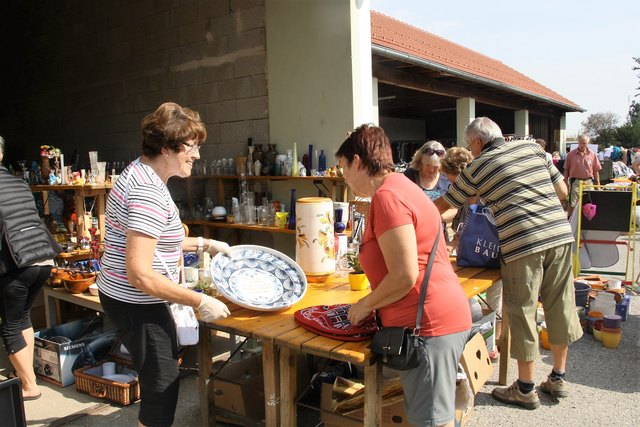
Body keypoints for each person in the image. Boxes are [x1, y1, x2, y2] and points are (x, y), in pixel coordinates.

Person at [97, 102, 232, 427]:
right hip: (136, 301)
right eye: (192, 147)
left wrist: (205, 243)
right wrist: (201, 300)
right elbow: (140, 273)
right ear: (166, 147)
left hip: (126, 296)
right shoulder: (147, 193)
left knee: (163, 375)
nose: (197, 155)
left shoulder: (141, 173)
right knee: (162, 389)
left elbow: (154, 239)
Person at [434, 117, 583, 410]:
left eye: (470, 146)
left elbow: (446, 204)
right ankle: (558, 378)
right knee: (560, 304)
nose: (470, 151)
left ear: (477, 142)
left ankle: (525, 389)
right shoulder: (532, 149)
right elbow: (563, 193)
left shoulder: (477, 166)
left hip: (522, 242)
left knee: (522, 311)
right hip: (560, 235)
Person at [340, 124, 471, 426]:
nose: (344, 177)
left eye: (344, 167)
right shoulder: (402, 187)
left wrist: (365, 305)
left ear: (358, 161)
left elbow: (404, 275)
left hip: (427, 325)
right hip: (435, 319)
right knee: (434, 416)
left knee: (432, 422)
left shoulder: (388, 197)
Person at [1, 135, 61, 400]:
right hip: (43, 260)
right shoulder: (18, 182)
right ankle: (28, 375)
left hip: (17, 263)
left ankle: (28, 385)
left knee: (11, 324)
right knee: (23, 317)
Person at [440, 147, 502, 361]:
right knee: (468, 297)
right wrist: (455, 241)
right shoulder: (465, 198)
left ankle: (493, 343)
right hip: (471, 257)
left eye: (453, 180)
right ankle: (477, 342)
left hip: (492, 256)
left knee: (495, 301)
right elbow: (462, 223)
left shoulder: (488, 193)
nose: (451, 185)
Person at [403, 140, 458, 237]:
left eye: (436, 167)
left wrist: (438, 218)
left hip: (438, 233)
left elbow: (453, 209)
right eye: (428, 165)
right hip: (414, 232)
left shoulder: (447, 178)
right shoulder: (410, 175)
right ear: (420, 162)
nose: (431, 170)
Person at [563, 134, 601, 218]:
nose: (582, 145)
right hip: (575, 181)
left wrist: (598, 184)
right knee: (572, 203)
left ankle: (587, 221)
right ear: (578, 143)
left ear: (588, 143)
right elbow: (566, 169)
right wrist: (565, 183)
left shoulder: (592, 154)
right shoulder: (571, 155)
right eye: (580, 143)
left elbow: (596, 170)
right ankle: (571, 220)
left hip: (588, 182)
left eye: (584, 143)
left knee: (590, 202)